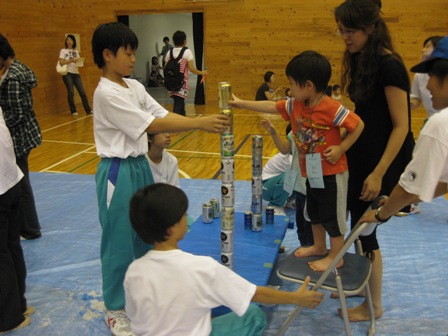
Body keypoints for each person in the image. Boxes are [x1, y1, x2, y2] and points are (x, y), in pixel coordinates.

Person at [91, 22, 228, 336]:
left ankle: (139, 294)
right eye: (127, 53)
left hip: (139, 165)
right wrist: (200, 123)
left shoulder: (134, 87)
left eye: (134, 53)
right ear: (108, 55)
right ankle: (115, 307)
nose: (132, 59)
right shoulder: (107, 93)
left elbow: (161, 115)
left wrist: (199, 122)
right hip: (118, 171)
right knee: (119, 243)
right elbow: (152, 122)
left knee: (145, 236)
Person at [125, 183, 324, 336]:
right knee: (253, 315)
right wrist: (296, 298)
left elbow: (137, 319)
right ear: (171, 228)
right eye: (183, 214)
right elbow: (255, 294)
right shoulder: (201, 268)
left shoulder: (134, 271)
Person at [231, 50, 364, 272]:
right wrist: (242, 103)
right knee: (314, 211)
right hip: (311, 171)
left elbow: (358, 125)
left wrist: (341, 148)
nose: (290, 89)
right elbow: (272, 107)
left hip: (332, 172)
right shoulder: (295, 105)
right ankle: (319, 246)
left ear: (308, 86)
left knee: (333, 215)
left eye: (292, 84)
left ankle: (336, 256)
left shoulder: (331, 107)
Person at [334, 0, 415, 321]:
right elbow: (365, 114)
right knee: (356, 225)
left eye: (350, 30)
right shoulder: (359, 58)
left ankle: (373, 305)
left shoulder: (390, 66)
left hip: (383, 160)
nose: (344, 37)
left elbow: (401, 126)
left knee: (366, 230)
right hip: (362, 153)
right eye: (340, 30)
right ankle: (364, 288)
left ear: (370, 28)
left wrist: (380, 173)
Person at [360, 36, 448, 232]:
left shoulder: (440, 124)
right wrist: (394, 202)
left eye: (432, 76)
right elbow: (444, 184)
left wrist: (381, 214)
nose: (428, 86)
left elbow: (408, 189)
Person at [0, 33, 42, 240]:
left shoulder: (13, 77)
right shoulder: (15, 69)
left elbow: (17, 112)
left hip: (19, 137)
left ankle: (30, 228)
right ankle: (26, 226)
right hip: (22, 135)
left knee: (21, 183)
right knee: (20, 182)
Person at [0, 106, 34, 334]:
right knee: (11, 247)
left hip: (4, 185)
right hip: (10, 179)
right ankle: (18, 306)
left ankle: (9, 317)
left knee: (3, 254)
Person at [260, 119, 314, 247]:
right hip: (265, 187)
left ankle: (288, 199)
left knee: (297, 178)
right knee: (293, 175)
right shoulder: (289, 158)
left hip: (274, 184)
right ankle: (275, 205)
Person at [164, 30, 208, 116]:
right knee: (179, 103)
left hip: (171, 82)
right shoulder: (187, 52)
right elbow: (192, 69)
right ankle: (175, 122)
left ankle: (182, 120)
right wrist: (201, 72)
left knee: (179, 101)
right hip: (181, 82)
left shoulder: (170, 52)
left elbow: (166, 68)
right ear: (184, 41)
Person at [410, 36, 443, 122]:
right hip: (431, 120)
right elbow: (416, 99)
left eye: (428, 46)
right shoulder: (419, 75)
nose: (423, 50)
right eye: (423, 47)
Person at [58, 34, 92, 116]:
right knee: (71, 92)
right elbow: (61, 62)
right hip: (67, 73)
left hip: (76, 73)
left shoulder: (76, 51)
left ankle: (88, 110)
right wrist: (70, 61)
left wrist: (78, 61)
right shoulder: (63, 51)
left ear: (74, 42)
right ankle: (73, 110)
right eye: (68, 40)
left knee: (82, 92)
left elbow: (78, 62)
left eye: (71, 40)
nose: (69, 41)